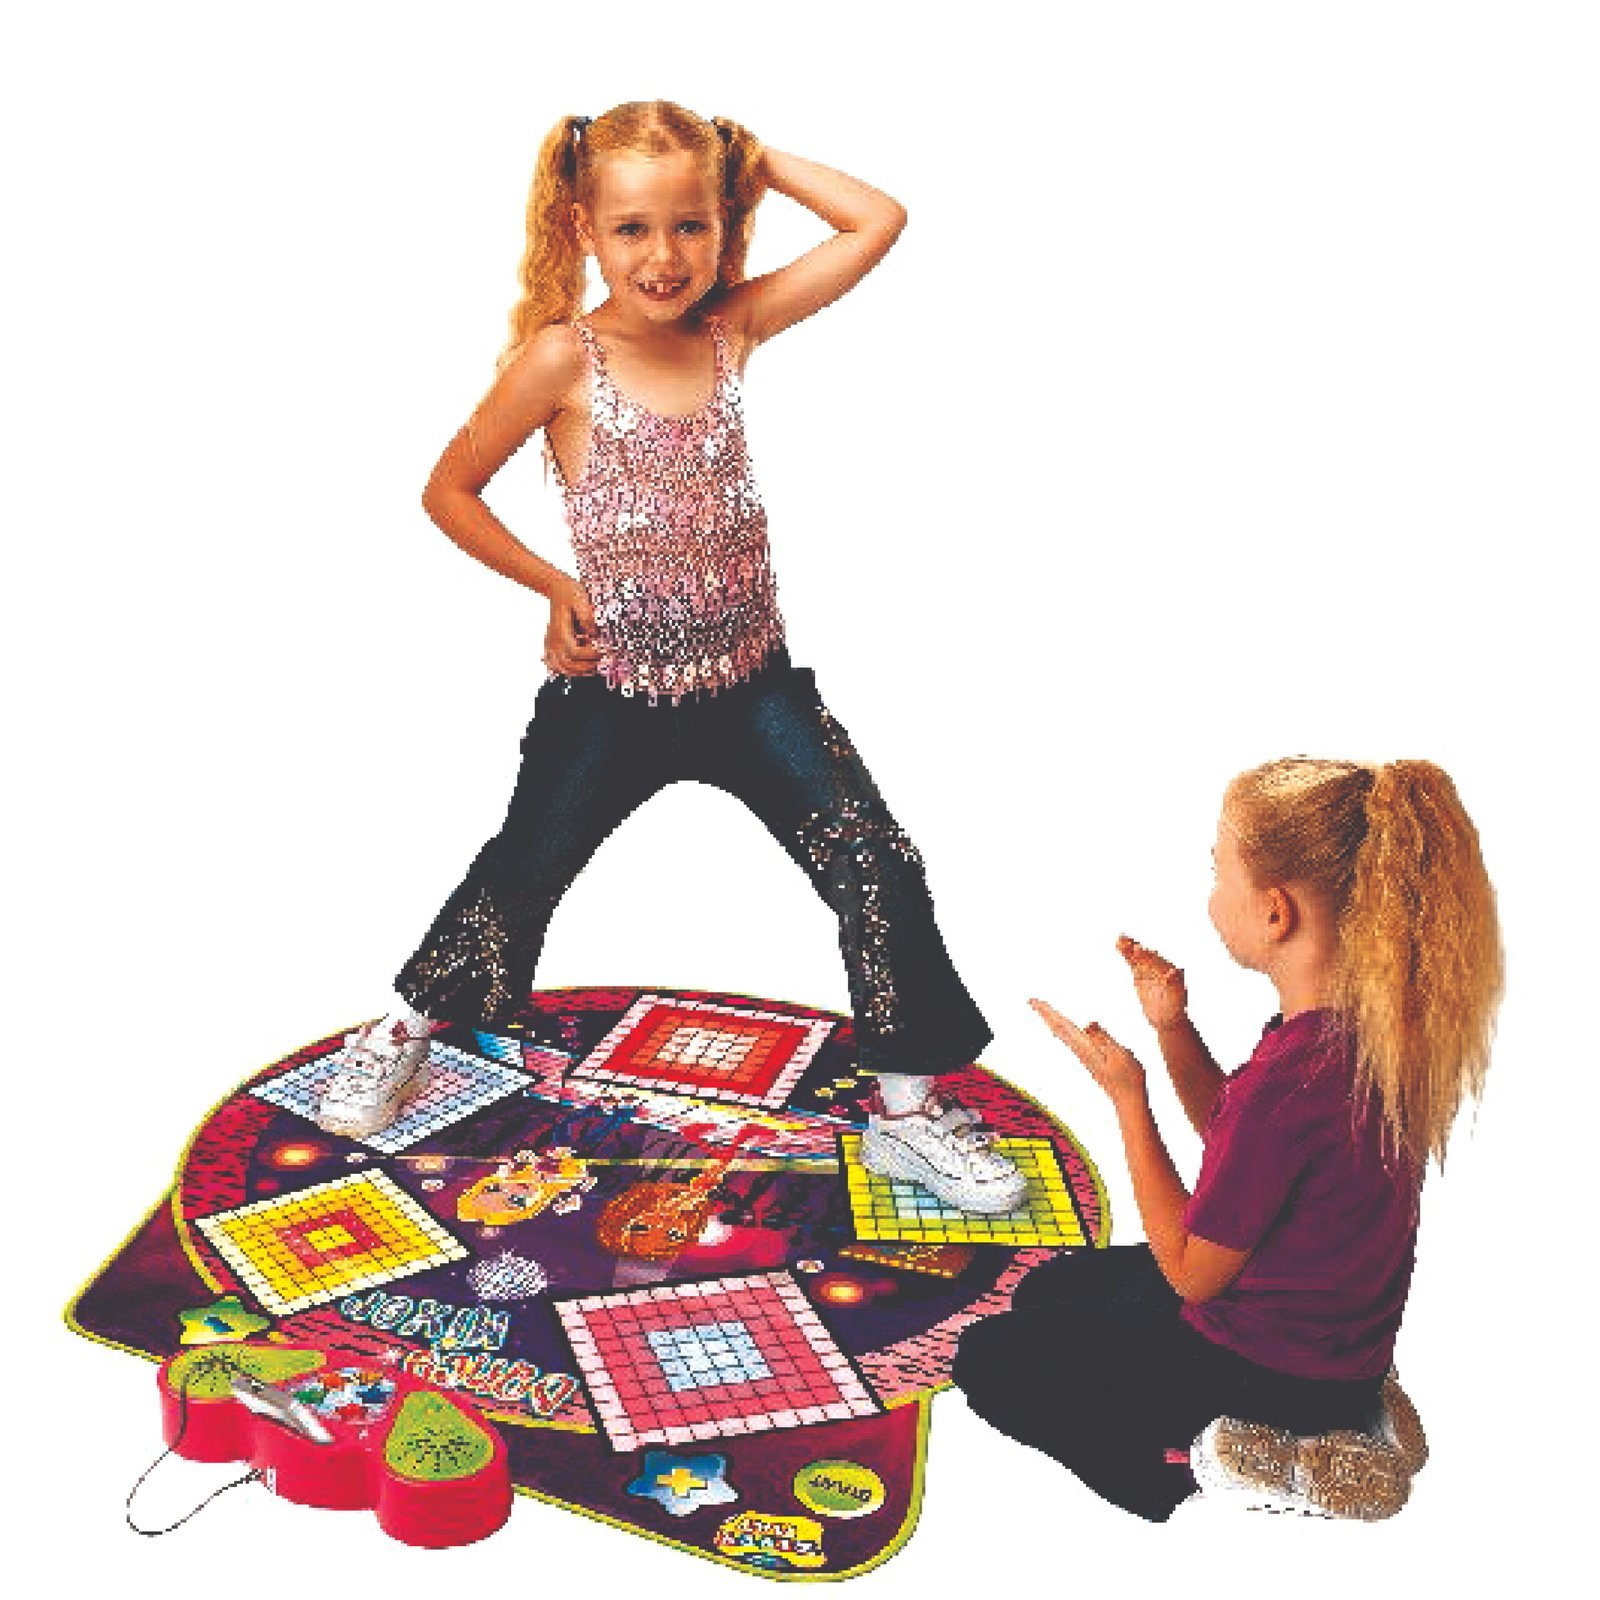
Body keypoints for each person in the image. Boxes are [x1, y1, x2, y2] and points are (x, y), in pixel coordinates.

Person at [316, 101, 1022, 1215]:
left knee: (878, 863)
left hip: (752, 686)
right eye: (633, 228)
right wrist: (553, 584)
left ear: (723, 225)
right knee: (522, 868)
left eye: (691, 225)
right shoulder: (564, 356)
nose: (664, 256)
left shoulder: (731, 327)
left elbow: (877, 220)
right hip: (612, 696)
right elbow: (448, 490)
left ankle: (903, 1111)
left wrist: (756, 159)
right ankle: (401, 1029)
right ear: (584, 228)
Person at [952, 758, 1503, 1519]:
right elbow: (1243, 1150)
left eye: (1218, 871)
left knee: (986, 1361)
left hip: (1261, 1367)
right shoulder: (1360, 1038)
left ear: (1276, 913)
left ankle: (1221, 1457)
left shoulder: (1289, 1083)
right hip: (1335, 1351)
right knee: (1049, 1289)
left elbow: (1192, 1276)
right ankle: (1356, 1417)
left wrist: (1128, 1098)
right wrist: (1172, 1027)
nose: (1211, 894)